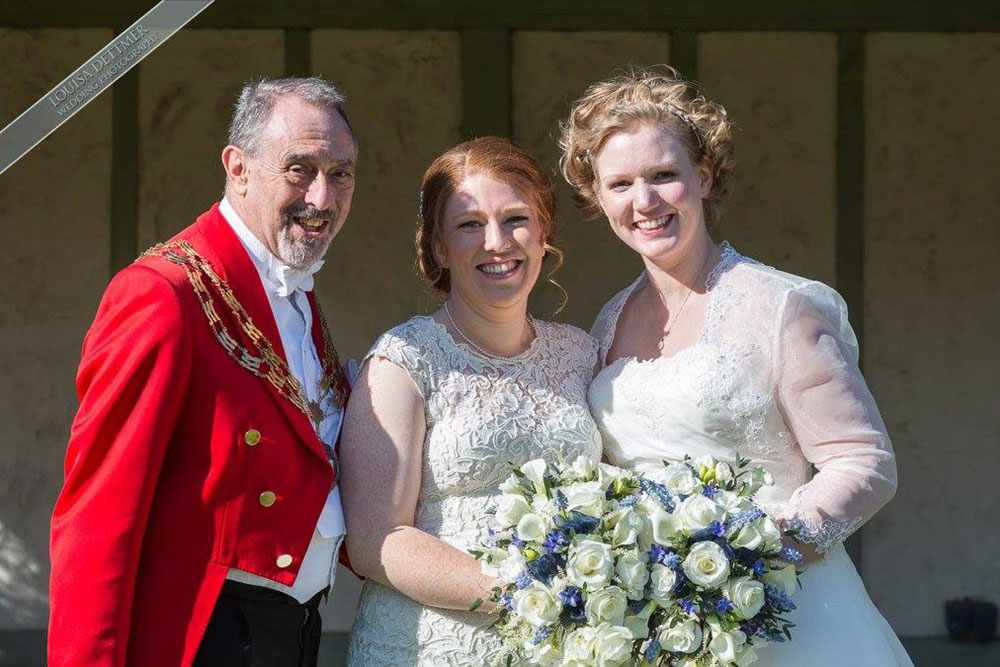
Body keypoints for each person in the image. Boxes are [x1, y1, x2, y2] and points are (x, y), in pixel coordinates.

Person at [558, 67, 913, 665]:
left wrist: (744, 562)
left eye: (664, 176)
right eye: (619, 184)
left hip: (783, 613)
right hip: (650, 626)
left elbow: (865, 462)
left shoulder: (781, 306)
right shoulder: (610, 320)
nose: (643, 202)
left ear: (704, 175)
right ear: (598, 197)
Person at [48, 77, 358, 667]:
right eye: (300, 169)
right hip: (202, 634)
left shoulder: (291, 289)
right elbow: (97, 519)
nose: (323, 196)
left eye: (341, 173)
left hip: (292, 630)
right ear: (238, 167)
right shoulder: (163, 294)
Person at [340, 136, 602, 664]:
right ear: (438, 246)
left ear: (544, 231)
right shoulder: (404, 359)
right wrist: (531, 599)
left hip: (569, 648)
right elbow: (376, 540)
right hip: (431, 647)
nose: (497, 242)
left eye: (515, 219)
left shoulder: (583, 353)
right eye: (469, 225)